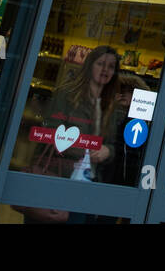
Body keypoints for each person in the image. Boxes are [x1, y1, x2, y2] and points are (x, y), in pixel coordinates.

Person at [37, 45, 120, 222]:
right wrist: (85, 150)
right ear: (90, 65)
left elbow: (114, 145)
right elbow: (50, 133)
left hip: (87, 185)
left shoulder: (110, 106)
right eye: (100, 64)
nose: (105, 70)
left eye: (111, 67)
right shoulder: (66, 94)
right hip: (59, 178)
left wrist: (107, 151)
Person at [103, 73, 149, 187]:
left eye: (129, 91)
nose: (123, 93)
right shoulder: (115, 114)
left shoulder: (139, 121)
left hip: (126, 177)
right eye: (120, 89)